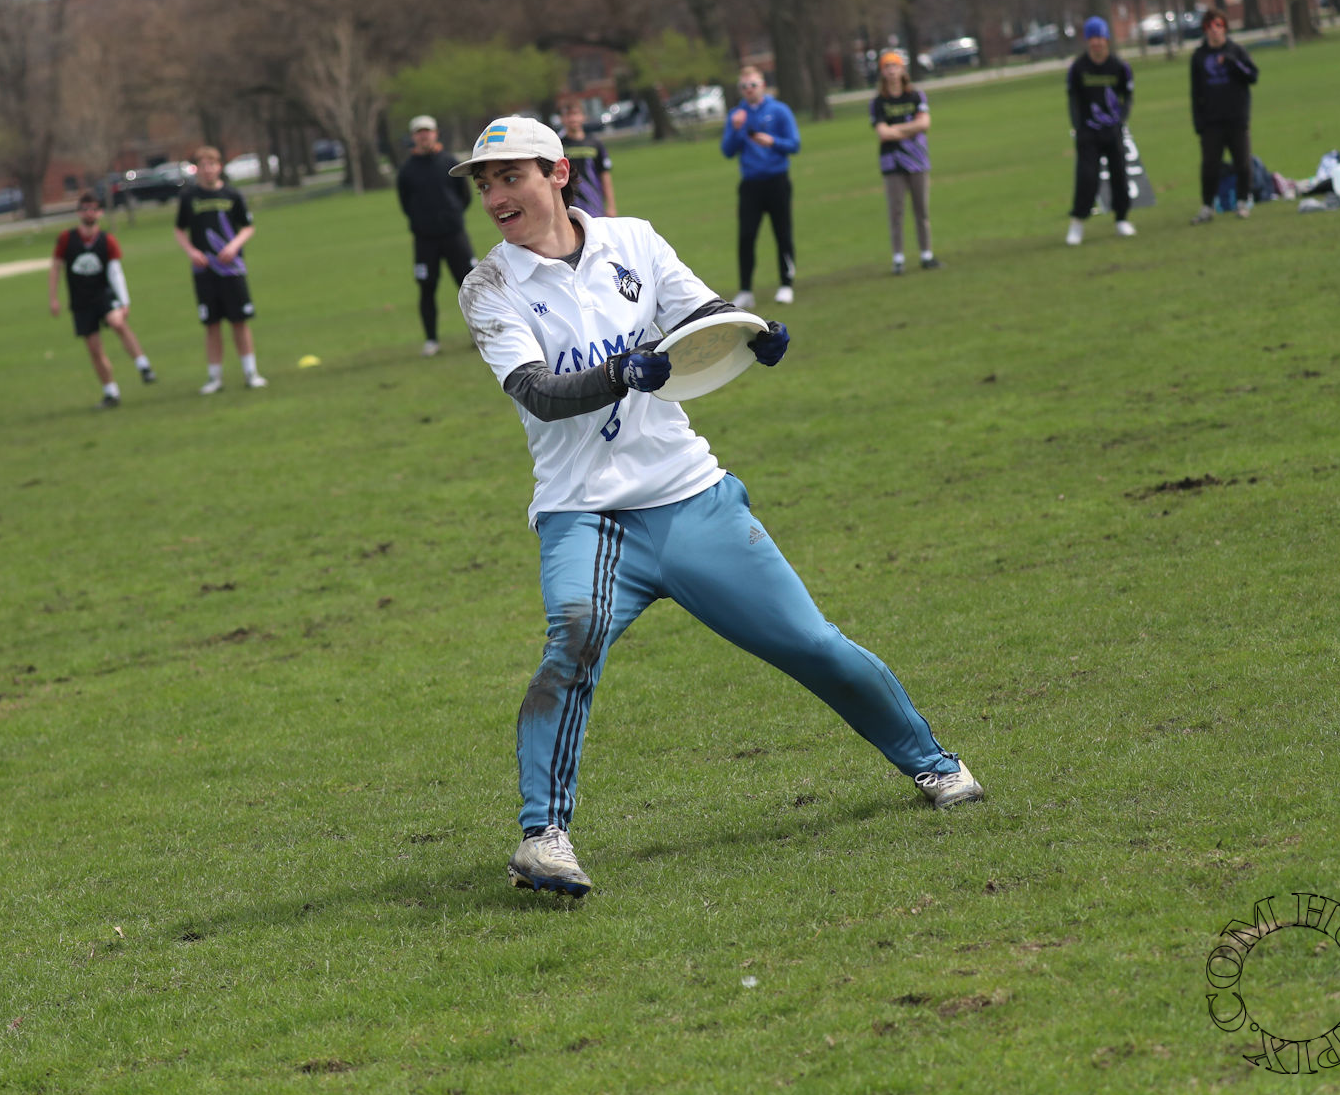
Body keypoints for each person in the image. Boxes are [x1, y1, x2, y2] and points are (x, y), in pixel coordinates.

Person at [450, 116, 983, 899]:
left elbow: (703, 317)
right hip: (585, 514)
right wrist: (621, 372)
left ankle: (936, 765)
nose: (496, 196)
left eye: (510, 177)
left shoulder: (633, 241)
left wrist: (753, 335)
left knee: (812, 643)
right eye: (485, 184)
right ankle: (544, 840)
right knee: (572, 643)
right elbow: (537, 391)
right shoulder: (487, 286)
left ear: (558, 173)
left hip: (690, 497)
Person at [47, 189, 155, 409]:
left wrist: (124, 301)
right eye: (85, 209)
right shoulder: (67, 239)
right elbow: (56, 268)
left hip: (103, 294)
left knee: (117, 322)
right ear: (79, 212)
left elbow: (116, 272)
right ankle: (111, 392)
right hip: (81, 301)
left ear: (100, 212)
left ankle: (143, 365)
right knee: (95, 349)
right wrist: (53, 298)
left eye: (93, 209)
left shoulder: (107, 240)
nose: (89, 213)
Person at [174, 146, 265, 393]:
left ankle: (251, 373)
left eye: (211, 165)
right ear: (197, 169)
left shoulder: (232, 195)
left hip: (232, 269)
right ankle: (214, 377)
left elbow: (248, 226)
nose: (207, 170)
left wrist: (234, 246)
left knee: (239, 321)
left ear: (219, 166)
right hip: (204, 272)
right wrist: (192, 252)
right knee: (211, 324)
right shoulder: (189, 198)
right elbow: (179, 230)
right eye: (203, 165)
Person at [395, 115, 477, 357]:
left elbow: (464, 197)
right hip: (425, 240)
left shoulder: (450, 163)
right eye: (419, 132)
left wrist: (451, 216)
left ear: (435, 133)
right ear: (413, 137)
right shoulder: (407, 171)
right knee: (427, 288)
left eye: (427, 131)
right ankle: (431, 340)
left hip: (454, 236)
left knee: (470, 285)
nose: (424, 136)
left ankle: (479, 335)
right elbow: (405, 204)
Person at [720, 65, 800, 307]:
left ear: (762, 85)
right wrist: (736, 129)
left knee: (782, 233)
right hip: (751, 184)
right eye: (744, 86)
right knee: (746, 236)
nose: (749, 90)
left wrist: (773, 141)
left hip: (777, 181)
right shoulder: (737, 115)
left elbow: (794, 144)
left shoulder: (779, 110)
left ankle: (786, 284)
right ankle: (745, 290)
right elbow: (727, 151)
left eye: (753, 85)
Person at [1064, 16, 1136, 246]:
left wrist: (1121, 119)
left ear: (1106, 39)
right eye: (1092, 38)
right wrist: (1078, 126)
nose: (1096, 42)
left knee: (1120, 175)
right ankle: (1077, 222)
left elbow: (1128, 96)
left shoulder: (1119, 66)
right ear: (1087, 41)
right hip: (1088, 133)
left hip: (1112, 131)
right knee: (1087, 178)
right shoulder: (1078, 68)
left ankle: (1121, 219)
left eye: (1100, 37)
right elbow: (1073, 99)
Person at [869, 50, 940, 274]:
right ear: (882, 72)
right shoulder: (878, 102)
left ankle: (926, 254)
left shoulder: (916, 96)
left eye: (895, 66)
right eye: (887, 67)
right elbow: (883, 133)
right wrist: (910, 128)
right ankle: (898, 259)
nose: (891, 71)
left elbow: (924, 124)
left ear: (902, 69)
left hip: (918, 160)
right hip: (892, 163)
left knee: (922, 211)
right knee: (896, 212)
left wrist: (895, 129)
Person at [1189, 9, 1261, 224]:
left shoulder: (1236, 51)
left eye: (1218, 25)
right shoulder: (1199, 56)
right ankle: (1207, 206)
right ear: (1204, 30)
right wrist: (1198, 122)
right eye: (1209, 26)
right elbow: (1195, 92)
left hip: (1236, 118)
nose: (1214, 30)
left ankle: (1242, 202)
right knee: (1210, 165)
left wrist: (1233, 63)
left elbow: (1252, 76)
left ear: (1225, 28)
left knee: (1242, 163)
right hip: (1211, 121)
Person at [558, 100, 616, 219]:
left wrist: (611, 205)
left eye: (575, 114)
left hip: (593, 204)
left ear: (583, 117)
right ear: (562, 119)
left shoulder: (595, 144)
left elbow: (605, 175)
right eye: (568, 115)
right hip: (568, 206)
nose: (572, 119)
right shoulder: (559, 145)